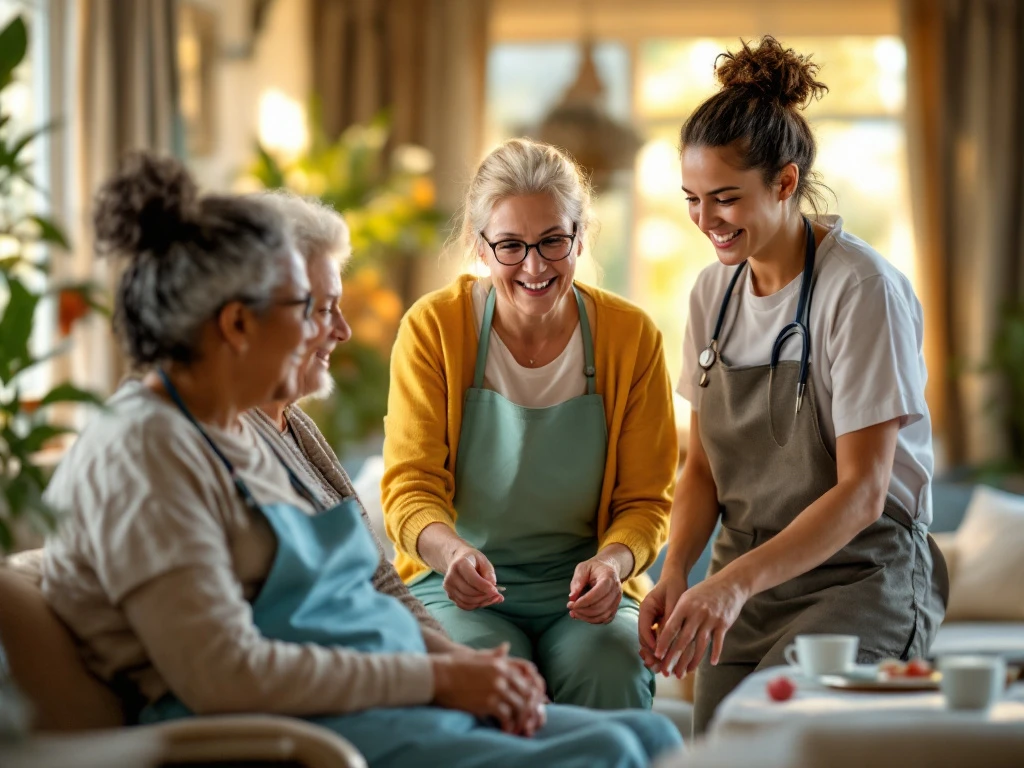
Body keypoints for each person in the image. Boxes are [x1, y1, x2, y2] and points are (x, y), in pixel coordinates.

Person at [40, 153, 683, 767]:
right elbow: (224, 674)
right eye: (315, 308)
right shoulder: (145, 452)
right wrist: (436, 675)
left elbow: (372, 583)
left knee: (650, 736)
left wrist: (450, 670)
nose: (342, 332)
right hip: (312, 727)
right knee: (618, 752)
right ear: (238, 325)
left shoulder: (256, 427)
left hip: (378, 699)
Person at [637, 36, 948, 735]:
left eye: (725, 199)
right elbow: (701, 468)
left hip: (857, 575)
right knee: (725, 742)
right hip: (743, 579)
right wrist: (678, 574)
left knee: (790, 736)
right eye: (691, 200)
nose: (705, 222)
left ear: (784, 182)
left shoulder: (860, 289)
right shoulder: (709, 294)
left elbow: (864, 492)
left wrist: (734, 584)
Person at [382, 138, 678, 711]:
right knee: (483, 679)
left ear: (580, 237)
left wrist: (613, 564)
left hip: (589, 592)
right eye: (511, 246)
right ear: (478, 245)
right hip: (459, 591)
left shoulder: (631, 337)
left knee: (611, 668)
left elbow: (646, 502)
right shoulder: (434, 329)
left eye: (552, 242)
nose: (535, 266)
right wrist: (450, 555)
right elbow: (409, 488)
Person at [242, 190, 455, 645]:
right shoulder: (222, 443)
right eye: (322, 310)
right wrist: (448, 679)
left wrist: (468, 664)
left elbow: (385, 583)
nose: (343, 330)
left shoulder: (298, 427)